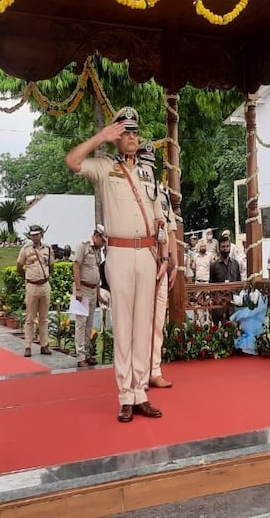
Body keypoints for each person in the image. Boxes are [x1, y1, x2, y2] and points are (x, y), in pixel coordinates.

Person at [65, 105, 170, 423]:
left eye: (135, 132)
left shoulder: (148, 172)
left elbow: (158, 217)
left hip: (148, 254)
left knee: (143, 327)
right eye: (125, 132)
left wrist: (164, 257)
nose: (132, 137)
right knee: (123, 327)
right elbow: (72, 161)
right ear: (115, 137)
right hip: (121, 253)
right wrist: (101, 136)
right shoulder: (103, 166)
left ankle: (140, 393)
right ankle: (125, 395)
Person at [142, 141, 178, 390]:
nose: (147, 170)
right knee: (139, 320)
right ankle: (138, 373)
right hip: (141, 259)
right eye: (144, 164)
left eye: (150, 166)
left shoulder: (161, 194)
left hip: (161, 264)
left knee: (157, 322)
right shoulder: (130, 190)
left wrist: (174, 262)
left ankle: (154, 369)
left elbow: (171, 229)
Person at [17, 225, 54, 357]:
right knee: (30, 318)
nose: (34, 237)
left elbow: (51, 265)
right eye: (32, 235)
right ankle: (28, 346)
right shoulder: (25, 249)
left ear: (41, 235)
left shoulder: (48, 249)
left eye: (37, 234)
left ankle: (44, 345)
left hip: (44, 285)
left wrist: (45, 276)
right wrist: (27, 278)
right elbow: (19, 266)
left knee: (44, 318)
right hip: (31, 285)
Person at [73, 225, 106, 368]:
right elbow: (75, 265)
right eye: (103, 241)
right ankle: (80, 356)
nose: (104, 244)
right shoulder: (83, 246)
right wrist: (78, 289)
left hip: (92, 290)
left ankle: (87, 353)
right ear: (97, 236)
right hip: (82, 289)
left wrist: (98, 294)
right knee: (81, 324)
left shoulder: (98, 251)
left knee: (89, 324)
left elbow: (96, 272)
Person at [209, 236, 242, 324]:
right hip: (219, 305)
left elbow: (239, 282)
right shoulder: (214, 265)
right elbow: (211, 285)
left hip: (233, 304)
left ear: (230, 247)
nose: (225, 249)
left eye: (227, 246)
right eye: (223, 247)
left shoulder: (235, 264)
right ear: (219, 248)